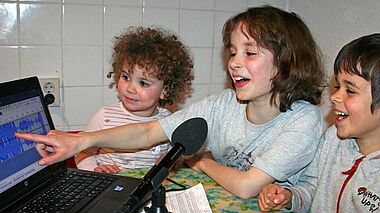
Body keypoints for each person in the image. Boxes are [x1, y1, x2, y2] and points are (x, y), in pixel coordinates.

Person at [16, 6, 325, 199]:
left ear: (286, 63)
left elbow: (247, 187)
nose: (234, 62)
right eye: (232, 52)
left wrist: (202, 161)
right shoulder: (222, 104)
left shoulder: (303, 119)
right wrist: (79, 141)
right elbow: (149, 132)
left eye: (250, 52)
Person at [258, 34, 380, 213]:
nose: (334, 97)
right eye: (337, 86)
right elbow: (312, 188)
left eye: (350, 90)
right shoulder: (333, 139)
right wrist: (290, 197)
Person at [74, 27, 194, 173]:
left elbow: (178, 159)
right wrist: (95, 169)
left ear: (165, 90)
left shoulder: (168, 122)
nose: (130, 89)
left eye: (143, 83)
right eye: (125, 77)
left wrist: (170, 162)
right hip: (112, 187)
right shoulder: (105, 117)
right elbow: (82, 152)